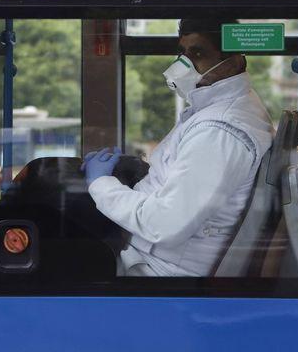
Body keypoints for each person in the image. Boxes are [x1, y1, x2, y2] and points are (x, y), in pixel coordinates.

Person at [82, 19, 273, 277]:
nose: (183, 64)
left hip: (158, 271)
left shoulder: (219, 131)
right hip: (145, 253)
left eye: (197, 53)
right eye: (182, 53)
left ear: (234, 62)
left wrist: (101, 184)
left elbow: (163, 224)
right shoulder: (216, 111)